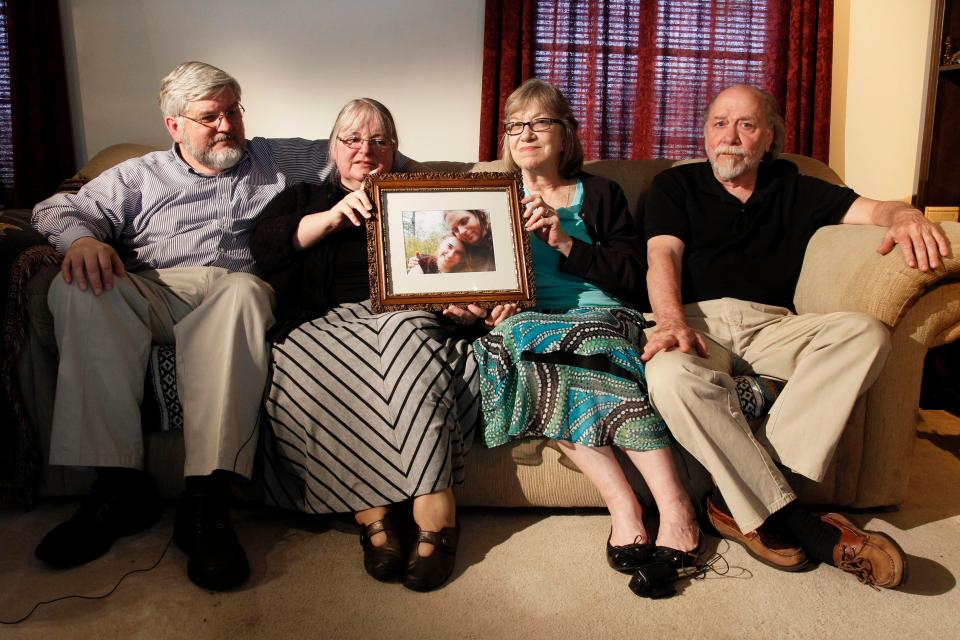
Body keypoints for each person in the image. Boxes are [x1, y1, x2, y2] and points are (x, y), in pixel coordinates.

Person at [29, 62, 411, 591]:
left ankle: (206, 500)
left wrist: (461, 193)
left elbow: (362, 150)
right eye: (209, 117)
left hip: (233, 293)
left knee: (244, 292)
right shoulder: (139, 175)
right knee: (74, 287)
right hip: (154, 288)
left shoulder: (277, 157)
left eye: (233, 111)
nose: (227, 126)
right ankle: (116, 490)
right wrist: (84, 241)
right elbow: (55, 209)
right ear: (174, 126)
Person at [641, 84, 950, 589]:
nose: (730, 137)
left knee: (865, 334)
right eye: (719, 123)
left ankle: (734, 499)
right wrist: (672, 321)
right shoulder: (675, 187)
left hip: (775, 326)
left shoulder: (796, 185)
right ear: (703, 134)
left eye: (746, 125)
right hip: (697, 322)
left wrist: (907, 215)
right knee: (670, 376)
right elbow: (663, 257)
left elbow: (876, 211)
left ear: (769, 137)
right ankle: (795, 521)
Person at [473, 78, 707, 573]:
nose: (526, 134)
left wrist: (564, 243)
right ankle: (624, 504)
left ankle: (675, 506)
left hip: (601, 311)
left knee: (586, 343)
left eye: (540, 122)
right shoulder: (488, 197)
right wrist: (495, 303)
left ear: (565, 134)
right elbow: (472, 273)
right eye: (516, 125)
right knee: (516, 341)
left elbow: (633, 277)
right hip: (532, 321)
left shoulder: (598, 193)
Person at [250, 98, 475, 592]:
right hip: (322, 319)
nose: (365, 149)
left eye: (379, 140)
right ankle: (372, 516)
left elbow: (469, 265)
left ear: (395, 149)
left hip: (405, 314)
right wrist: (332, 216)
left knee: (410, 343)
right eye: (352, 139)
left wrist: (464, 303)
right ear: (333, 148)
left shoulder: (427, 197)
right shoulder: (306, 196)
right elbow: (265, 247)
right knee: (301, 358)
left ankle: (436, 514)